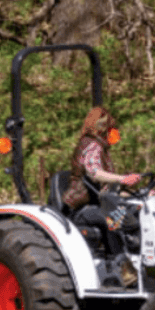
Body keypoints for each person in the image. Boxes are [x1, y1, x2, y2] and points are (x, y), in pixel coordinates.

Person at [62, 106, 141, 286]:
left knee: (135, 209)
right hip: (81, 207)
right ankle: (124, 269)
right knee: (112, 218)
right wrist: (123, 179)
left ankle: (138, 259)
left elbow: (107, 188)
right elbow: (94, 173)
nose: (113, 134)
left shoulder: (101, 149)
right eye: (110, 129)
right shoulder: (92, 145)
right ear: (102, 128)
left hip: (98, 201)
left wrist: (139, 193)